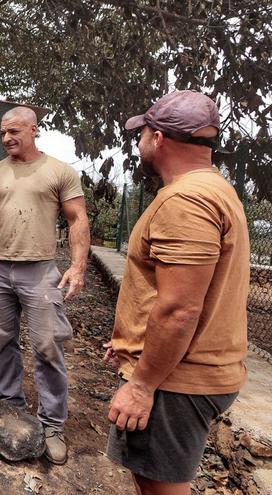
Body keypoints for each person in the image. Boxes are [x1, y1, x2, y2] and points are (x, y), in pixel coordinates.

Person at [104, 90, 249, 495]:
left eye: (142, 133)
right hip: (185, 370)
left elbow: (179, 309)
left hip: (177, 380)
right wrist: (132, 343)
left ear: (159, 138)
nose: (139, 143)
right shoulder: (215, 189)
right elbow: (172, 291)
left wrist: (142, 384)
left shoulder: (185, 200)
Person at [0, 106, 90, 465]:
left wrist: (77, 266)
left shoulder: (59, 171)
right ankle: (11, 405)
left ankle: (52, 424)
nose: (8, 138)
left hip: (41, 270)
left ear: (33, 129)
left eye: (14, 131)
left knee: (48, 344)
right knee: (1, 339)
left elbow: (77, 220)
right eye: (3, 133)